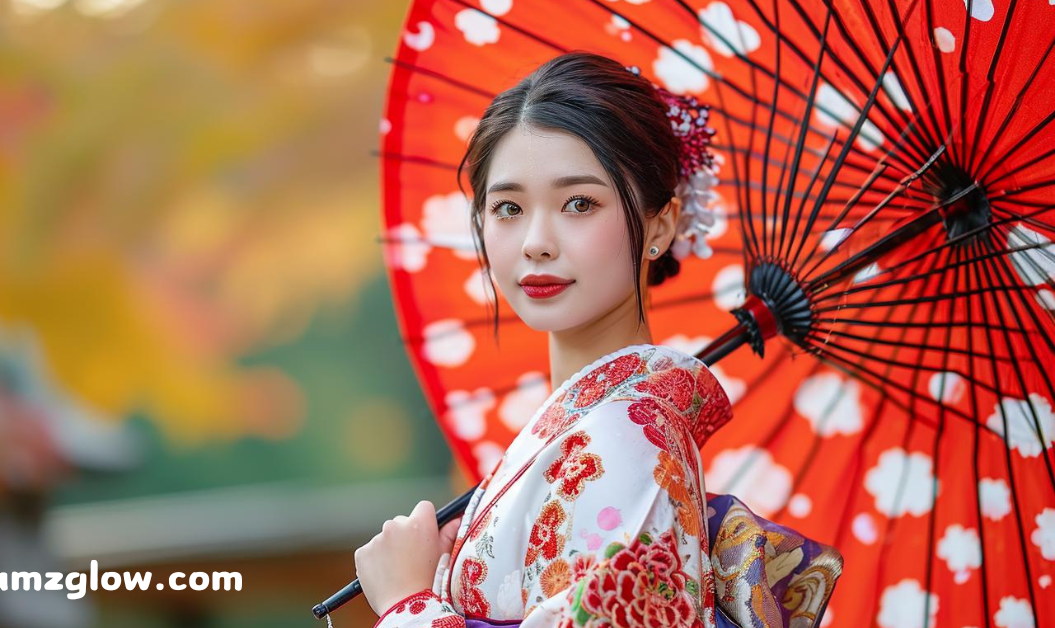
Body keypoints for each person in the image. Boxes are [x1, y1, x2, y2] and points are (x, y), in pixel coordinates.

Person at [354, 51, 842, 628]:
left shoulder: (624, 442)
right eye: (508, 207)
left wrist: (408, 604)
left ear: (659, 225)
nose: (535, 241)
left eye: (578, 203)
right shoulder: (600, 428)